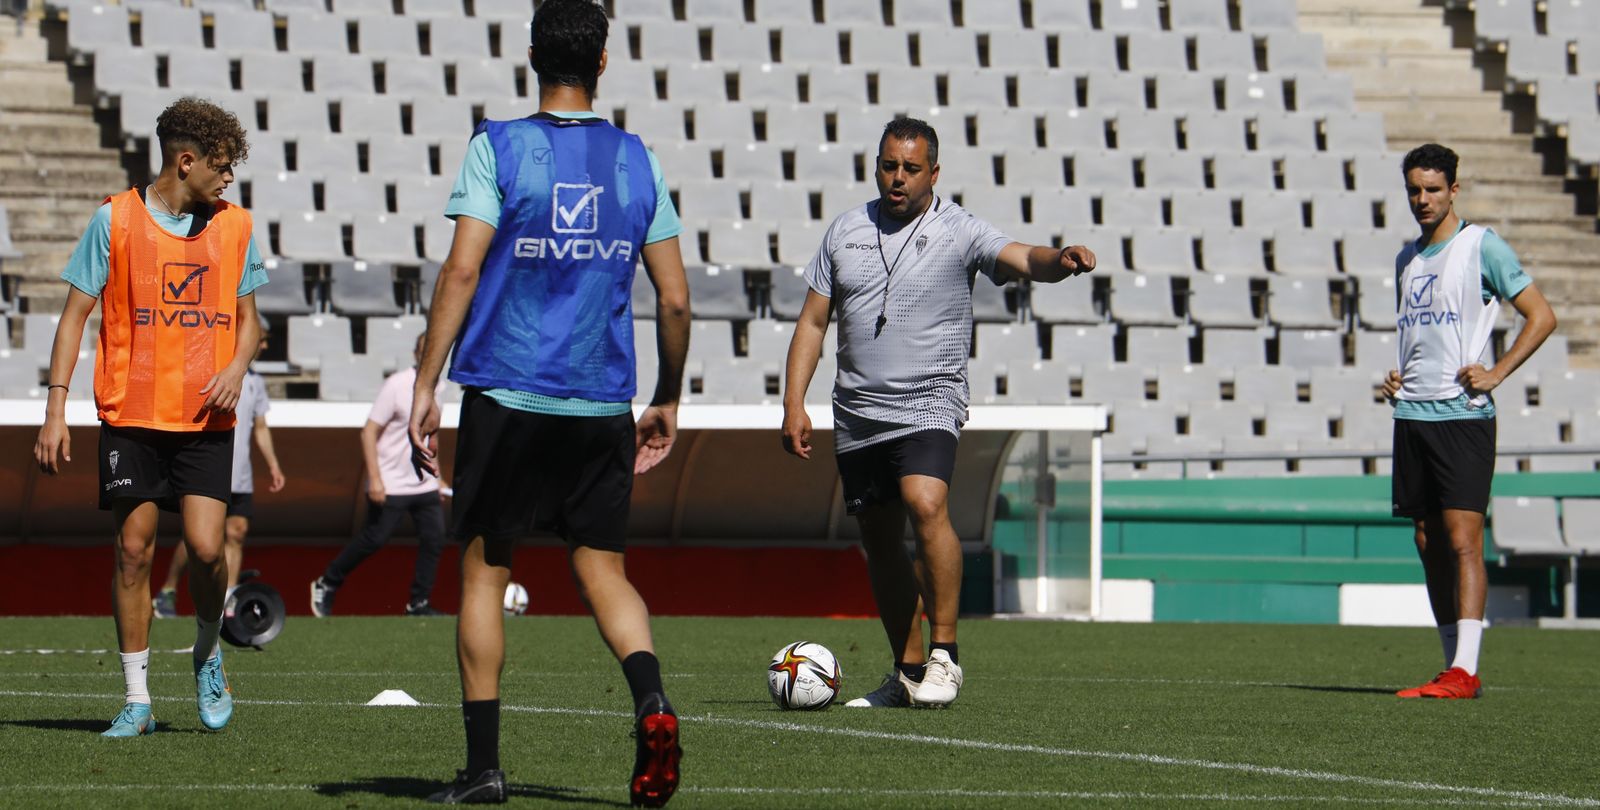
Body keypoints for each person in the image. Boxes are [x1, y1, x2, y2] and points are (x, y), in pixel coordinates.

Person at [407, 0, 690, 803]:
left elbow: (461, 272)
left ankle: (485, 770)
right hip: (601, 398)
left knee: (485, 574)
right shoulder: (638, 159)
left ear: (532, 55)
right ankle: (652, 700)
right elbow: (674, 301)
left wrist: (426, 382)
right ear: (604, 62)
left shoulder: (497, 146)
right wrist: (666, 395)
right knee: (603, 571)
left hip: (507, 389)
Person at [781, 118, 1096, 709]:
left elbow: (1021, 256)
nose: (897, 179)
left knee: (926, 501)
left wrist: (1061, 259)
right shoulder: (845, 230)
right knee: (879, 539)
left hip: (930, 398)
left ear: (934, 172)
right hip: (857, 412)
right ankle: (906, 672)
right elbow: (813, 321)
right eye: (888, 166)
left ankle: (945, 656)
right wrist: (793, 400)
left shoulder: (958, 229)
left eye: (910, 168)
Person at [33, 96, 266, 736]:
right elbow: (74, 318)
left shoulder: (236, 227)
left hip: (205, 420)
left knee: (206, 549)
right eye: (220, 166)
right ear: (185, 161)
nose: (228, 179)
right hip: (131, 415)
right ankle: (137, 699)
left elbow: (251, 324)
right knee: (133, 553)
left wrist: (237, 367)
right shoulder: (113, 221)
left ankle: (207, 649)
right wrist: (56, 408)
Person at [1381, 143, 1555, 700]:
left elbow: (1541, 315)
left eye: (1433, 189)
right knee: (1427, 538)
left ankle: (1467, 670)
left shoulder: (1482, 246)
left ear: (1454, 190)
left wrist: (1497, 372)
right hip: (1413, 413)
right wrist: (1395, 380)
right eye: (1414, 189)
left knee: (1463, 540)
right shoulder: (1406, 260)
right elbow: (1420, 335)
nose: (1422, 199)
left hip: (1462, 416)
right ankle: (1452, 664)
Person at [310, 333, 449, 617]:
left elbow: (431, 435)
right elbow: (369, 432)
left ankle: (418, 603)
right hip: (391, 481)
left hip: (423, 481)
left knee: (434, 538)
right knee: (375, 538)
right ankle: (327, 582)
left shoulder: (440, 386)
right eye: (425, 351)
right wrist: (375, 479)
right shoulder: (397, 385)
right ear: (415, 354)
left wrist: (439, 476)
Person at [154, 321, 285, 619]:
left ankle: (228, 600)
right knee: (200, 537)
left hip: (241, 472)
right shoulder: (212, 371)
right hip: (210, 467)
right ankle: (168, 590)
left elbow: (260, 426)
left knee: (236, 533)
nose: (263, 346)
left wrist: (273, 463)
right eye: (261, 339)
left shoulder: (256, 381)